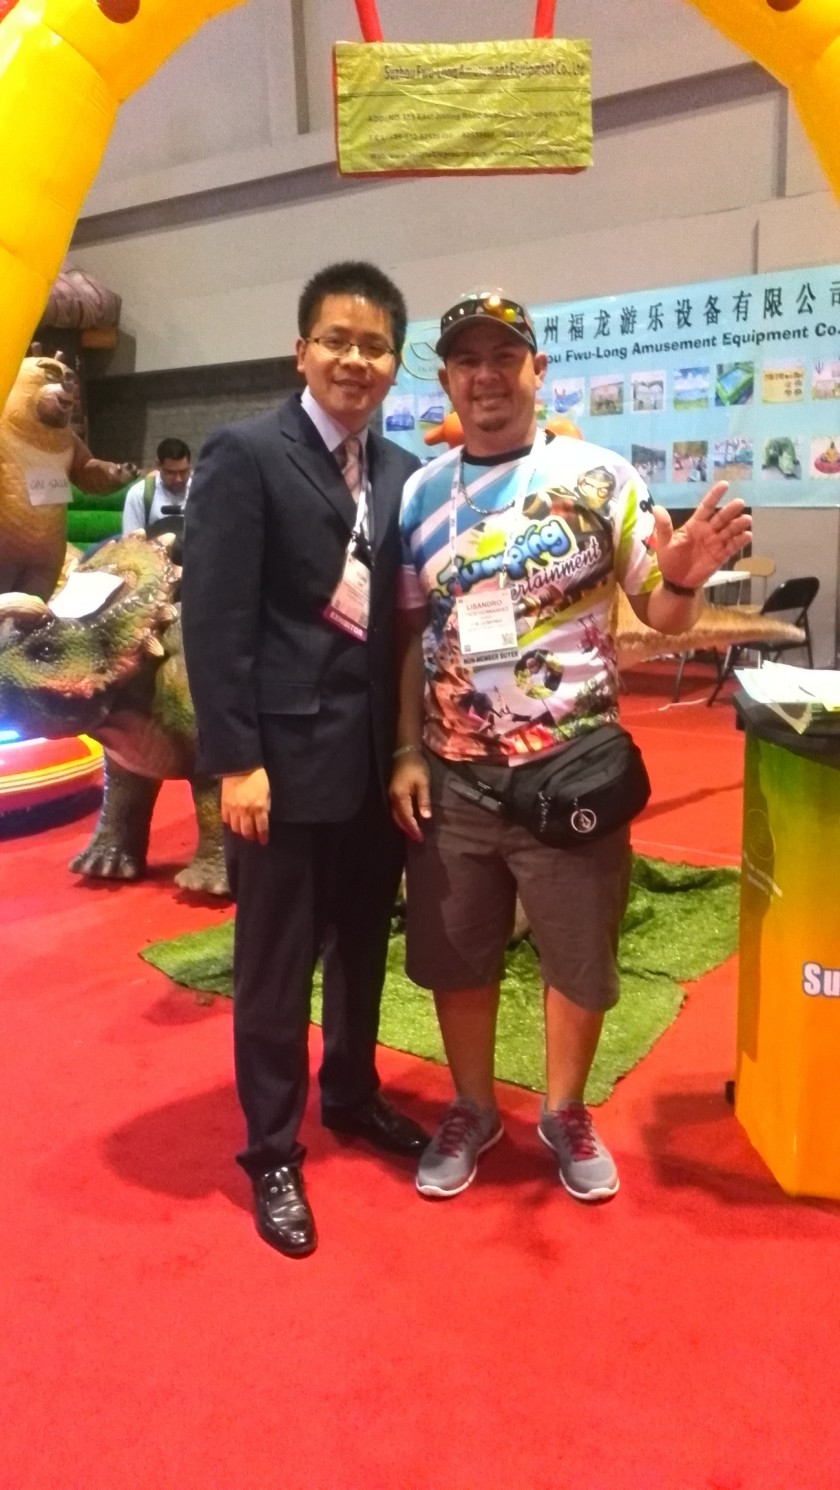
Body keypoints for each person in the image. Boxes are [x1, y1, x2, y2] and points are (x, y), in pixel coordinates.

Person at [390, 289, 751, 1205]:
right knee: (456, 956)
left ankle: (564, 1111)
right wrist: (405, 751)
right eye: (467, 361)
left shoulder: (599, 476)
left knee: (579, 959)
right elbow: (407, 637)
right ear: (447, 381)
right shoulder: (421, 496)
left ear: (538, 370)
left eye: (503, 358)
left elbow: (663, 611)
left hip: (574, 769)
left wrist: (681, 581)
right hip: (457, 777)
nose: (486, 376)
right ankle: (472, 1108)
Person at [181, 261, 427, 1259]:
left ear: (395, 362)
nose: (354, 360)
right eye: (337, 340)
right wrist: (236, 760)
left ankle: (353, 1093)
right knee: (275, 966)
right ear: (301, 351)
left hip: (372, 767)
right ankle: (272, 1148)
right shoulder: (245, 454)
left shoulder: (403, 472)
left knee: (362, 945)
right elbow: (214, 620)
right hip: (278, 768)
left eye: (374, 346)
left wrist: (405, 748)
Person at [121, 437, 192, 534]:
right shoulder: (139, 494)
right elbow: (130, 540)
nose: (178, 479)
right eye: (171, 473)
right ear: (158, 465)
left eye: (183, 471)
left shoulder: (201, 493)